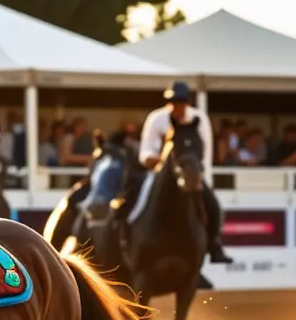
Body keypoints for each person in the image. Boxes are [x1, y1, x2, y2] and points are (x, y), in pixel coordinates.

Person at [83, 81, 233, 265]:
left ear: (187, 102)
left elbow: (205, 154)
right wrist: (164, 162)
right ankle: (119, 238)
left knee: (213, 206)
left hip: (192, 174)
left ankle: (214, 243)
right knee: (130, 201)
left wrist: (199, 179)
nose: (177, 105)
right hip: (159, 173)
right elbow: (145, 154)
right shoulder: (157, 118)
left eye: (180, 101)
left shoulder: (199, 119)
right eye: (173, 100)